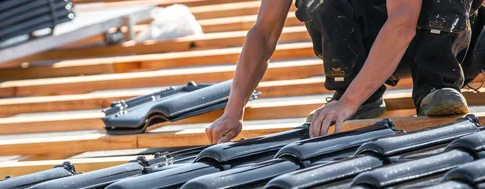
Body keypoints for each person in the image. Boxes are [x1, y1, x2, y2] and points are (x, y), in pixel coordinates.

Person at [205, 0, 485, 144]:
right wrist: (232, 112)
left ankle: (436, 86)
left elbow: (403, 21)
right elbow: (263, 33)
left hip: (452, 40)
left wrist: (346, 104)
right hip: (381, 44)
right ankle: (361, 93)